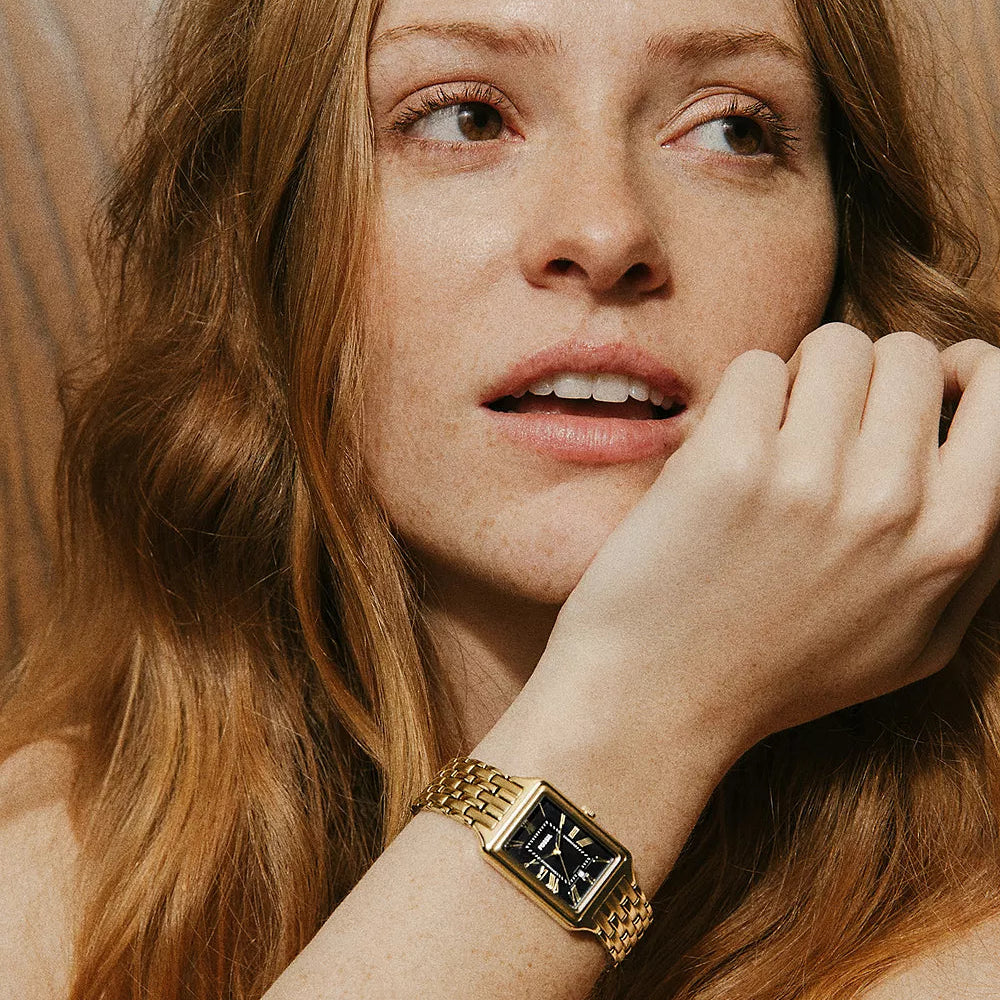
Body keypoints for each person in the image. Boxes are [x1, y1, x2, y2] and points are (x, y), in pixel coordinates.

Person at [2, 0, 1000, 995]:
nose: (606, 232)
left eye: (731, 128)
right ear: (274, 248)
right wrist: (644, 713)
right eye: (464, 118)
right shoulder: (55, 880)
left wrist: (648, 707)